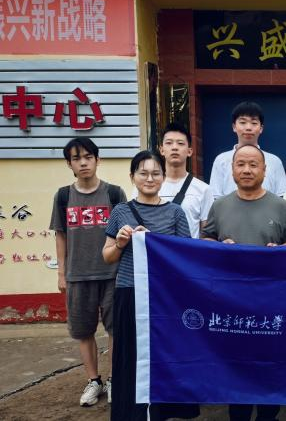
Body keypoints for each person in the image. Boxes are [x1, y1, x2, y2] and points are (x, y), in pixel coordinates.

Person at [202, 144, 286, 421]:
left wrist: (280, 251)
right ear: (232, 169)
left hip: (270, 302)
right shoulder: (220, 206)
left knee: (270, 364)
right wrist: (219, 247)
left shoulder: (281, 206)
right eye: (241, 164)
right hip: (230, 303)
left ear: (264, 170)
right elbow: (206, 241)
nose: (247, 170)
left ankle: (269, 415)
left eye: (253, 165)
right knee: (236, 364)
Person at [103, 151, 199, 421]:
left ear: (164, 177)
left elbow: (184, 255)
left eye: (156, 173)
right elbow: (107, 256)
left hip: (164, 296)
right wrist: (120, 243)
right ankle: (131, 412)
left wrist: (154, 241)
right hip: (129, 291)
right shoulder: (121, 211)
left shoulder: (175, 212)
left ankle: (163, 411)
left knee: (164, 353)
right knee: (131, 354)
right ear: (132, 176)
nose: (149, 178)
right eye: (143, 173)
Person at [49, 138, 127, 407]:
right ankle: (94, 381)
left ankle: (115, 380)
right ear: (69, 164)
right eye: (76, 158)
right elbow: (60, 235)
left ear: (97, 159)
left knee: (116, 330)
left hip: (113, 273)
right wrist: (61, 273)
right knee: (83, 331)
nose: (83, 162)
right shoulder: (63, 196)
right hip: (78, 275)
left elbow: (124, 234)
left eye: (88, 157)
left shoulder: (114, 194)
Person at [132, 122, 213, 238]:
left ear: (189, 151)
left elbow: (207, 235)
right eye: (169, 143)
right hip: (152, 249)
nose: (174, 147)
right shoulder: (145, 186)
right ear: (161, 150)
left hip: (186, 249)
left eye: (180, 143)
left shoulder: (203, 189)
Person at [210, 101, 286, 198]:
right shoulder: (221, 160)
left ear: (261, 128)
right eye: (242, 122)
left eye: (254, 123)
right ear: (234, 127)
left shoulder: (274, 161)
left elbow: (282, 197)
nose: (248, 127)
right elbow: (215, 197)